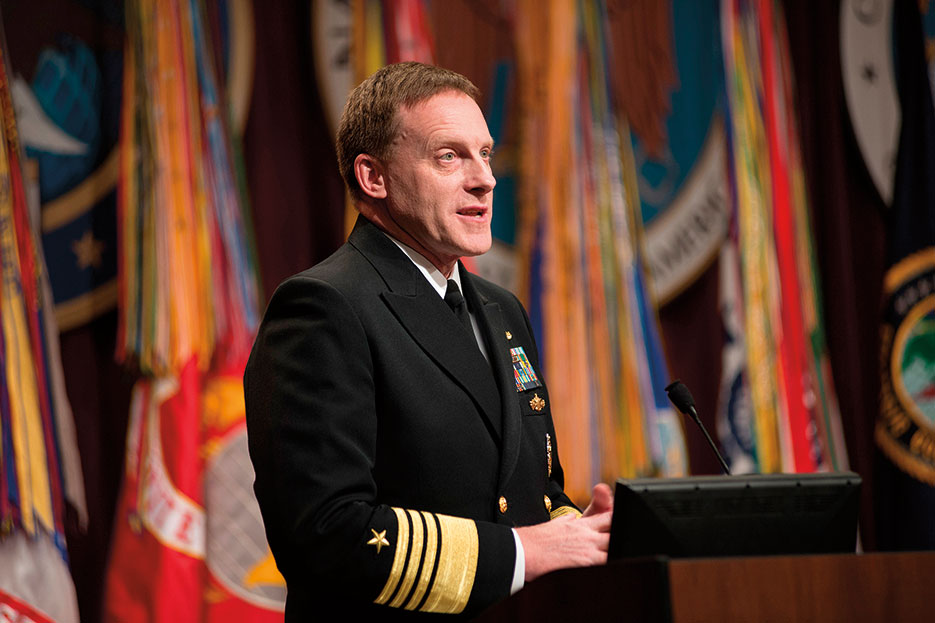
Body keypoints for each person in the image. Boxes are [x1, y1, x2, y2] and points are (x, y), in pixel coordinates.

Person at [244, 62, 612, 621]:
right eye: (450, 156)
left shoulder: (501, 309)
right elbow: (325, 531)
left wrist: (581, 531)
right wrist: (521, 553)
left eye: (485, 154)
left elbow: (532, 489)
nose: (485, 178)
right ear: (374, 178)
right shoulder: (324, 308)